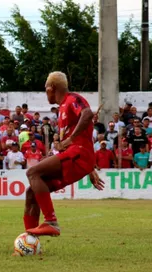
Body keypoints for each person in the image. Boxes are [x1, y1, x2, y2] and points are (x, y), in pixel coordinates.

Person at [23, 72, 104, 238]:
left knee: (32, 172)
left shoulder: (72, 99)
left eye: (46, 90)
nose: (46, 94)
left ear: (52, 88)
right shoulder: (62, 109)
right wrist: (89, 168)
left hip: (79, 154)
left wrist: (70, 140)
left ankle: (51, 222)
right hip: (76, 157)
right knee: (32, 192)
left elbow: (87, 114)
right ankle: (30, 241)